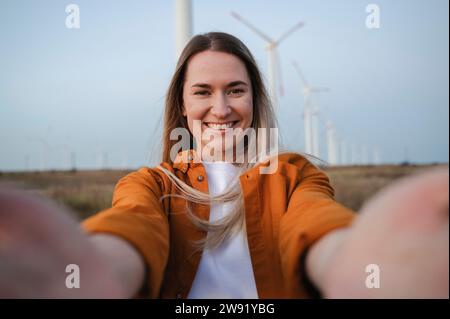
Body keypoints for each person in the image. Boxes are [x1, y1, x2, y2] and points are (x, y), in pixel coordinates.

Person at [0, 32, 448, 299]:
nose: (221, 107)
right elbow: (133, 226)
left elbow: (315, 222)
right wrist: (90, 270)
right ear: (181, 103)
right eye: (202, 92)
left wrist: (353, 263)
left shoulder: (294, 176)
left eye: (235, 89)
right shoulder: (151, 185)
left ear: (255, 99)